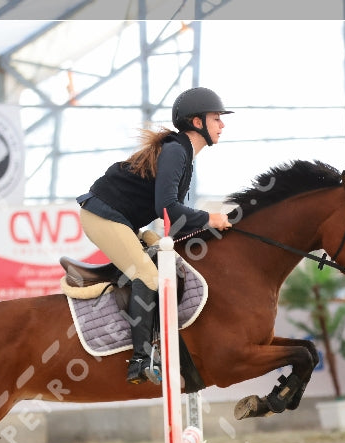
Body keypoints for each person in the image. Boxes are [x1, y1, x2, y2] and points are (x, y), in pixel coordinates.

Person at [76, 87, 234, 384]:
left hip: (122, 219)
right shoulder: (176, 152)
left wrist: (211, 228)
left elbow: (173, 222)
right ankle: (140, 359)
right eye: (216, 118)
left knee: (166, 258)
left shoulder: (183, 153)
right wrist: (211, 218)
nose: (222, 125)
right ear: (197, 122)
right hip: (102, 216)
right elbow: (169, 210)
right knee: (148, 277)